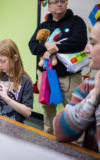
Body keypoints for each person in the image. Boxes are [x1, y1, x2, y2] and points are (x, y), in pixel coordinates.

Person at [28, 0, 87, 134]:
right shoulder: (44, 25)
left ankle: (78, 147)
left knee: (74, 111)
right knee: (48, 110)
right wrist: (45, 46)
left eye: (62, 1)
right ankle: (49, 139)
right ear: (49, 6)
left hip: (69, 77)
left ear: (66, 3)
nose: (59, 4)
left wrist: (53, 48)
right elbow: (32, 46)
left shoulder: (76, 22)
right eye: (55, 2)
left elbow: (79, 42)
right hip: (46, 75)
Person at [53, 17, 100, 152]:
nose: (86, 50)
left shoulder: (76, 22)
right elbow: (60, 131)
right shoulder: (88, 86)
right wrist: (95, 94)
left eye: (93, 43)